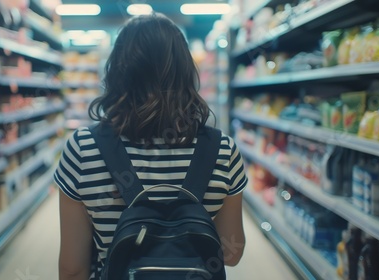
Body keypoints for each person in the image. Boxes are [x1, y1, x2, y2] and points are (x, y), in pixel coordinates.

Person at [55, 13, 248, 280]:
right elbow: (231, 253)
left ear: (117, 72)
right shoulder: (223, 150)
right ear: (187, 73)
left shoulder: (83, 149)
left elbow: (73, 269)